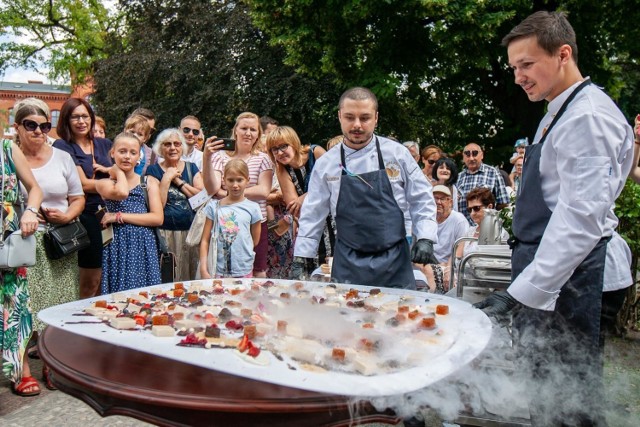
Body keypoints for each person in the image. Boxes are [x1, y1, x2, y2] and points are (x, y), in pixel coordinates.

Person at [475, 11, 634, 426]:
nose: (518, 77)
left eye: (526, 65)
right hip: (553, 272)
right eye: (514, 68)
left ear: (563, 54)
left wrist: (522, 292)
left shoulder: (588, 118)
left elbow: (580, 219)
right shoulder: (557, 110)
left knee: (568, 402)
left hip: (574, 278)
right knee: (545, 392)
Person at [291, 87, 438, 288]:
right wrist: (301, 256)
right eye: (350, 117)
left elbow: (421, 198)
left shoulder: (398, 154)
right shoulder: (326, 164)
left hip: (395, 260)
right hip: (347, 261)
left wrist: (426, 237)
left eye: (365, 118)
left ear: (376, 118)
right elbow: (313, 213)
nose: (357, 125)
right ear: (339, 117)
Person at [14, 99, 84, 359]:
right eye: (31, 125)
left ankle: (52, 354)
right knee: (28, 300)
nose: (38, 131)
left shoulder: (62, 158)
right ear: (17, 127)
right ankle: (34, 348)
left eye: (44, 126)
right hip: (22, 240)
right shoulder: (9, 159)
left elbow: (78, 199)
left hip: (59, 239)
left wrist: (66, 217)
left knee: (60, 297)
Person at [0, 119, 43, 396]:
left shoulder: (7, 149)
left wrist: (30, 211)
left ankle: (21, 369)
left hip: (8, 236)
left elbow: (35, 189)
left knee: (14, 303)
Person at [53, 98, 112, 298]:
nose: (81, 121)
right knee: (90, 279)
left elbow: (125, 171)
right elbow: (83, 185)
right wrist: (113, 184)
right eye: (75, 117)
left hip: (112, 215)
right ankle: (80, 322)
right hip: (86, 216)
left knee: (108, 278)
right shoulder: (63, 146)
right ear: (66, 120)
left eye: (85, 116)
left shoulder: (105, 144)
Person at [202, 112, 273, 278]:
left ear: (258, 135)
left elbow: (263, 191)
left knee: (257, 271)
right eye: (244, 128)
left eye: (253, 130)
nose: (248, 133)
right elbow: (212, 188)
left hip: (255, 221)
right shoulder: (220, 156)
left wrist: (227, 193)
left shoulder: (263, 159)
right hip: (224, 222)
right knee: (223, 270)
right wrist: (207, 157)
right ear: (235, 131)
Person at [97, 132, 163, 294]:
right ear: (112, 153)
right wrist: (118, 172)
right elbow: (122, 192)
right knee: (118, 295)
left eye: (133, 153)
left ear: (139, 156)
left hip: (143, 244)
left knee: (145, 296)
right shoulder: (104, 183)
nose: (127, 157)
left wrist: (119, 216)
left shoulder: (148, 182)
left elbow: (157, 218)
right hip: (117, 244)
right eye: (122, 151)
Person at [266, 126, 334, 274]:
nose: (279, 152)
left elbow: (333, 185)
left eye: (283, 146)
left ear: (293, 142)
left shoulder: (315, 153)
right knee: (316, 273)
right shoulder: (282, 169)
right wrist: (313, 196)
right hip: (310, 224)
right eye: (274, 149)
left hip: (333, 221)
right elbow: (294, 206)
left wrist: (304, 197)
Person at [146, 128, 204, 281]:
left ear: (182, 147)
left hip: (192, 234)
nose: (173, 148)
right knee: (170, 276)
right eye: (167, 144)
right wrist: (166, 179)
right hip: (166, 234)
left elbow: (200, 198)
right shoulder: (153, 170)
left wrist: (179, 182)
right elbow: (159, 204)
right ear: (160, 148)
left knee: (191, 277)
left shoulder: (192, 167)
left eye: (177, 144)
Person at [199, 159, 262, 278]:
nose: (235, 185)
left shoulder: (253, 208)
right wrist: (203, 268)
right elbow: (205, 240)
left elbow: (254, 240)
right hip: (218, 270)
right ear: (224, 180)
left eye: (239, 180)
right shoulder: (214, 207)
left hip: (244, 269)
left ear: (247, 180)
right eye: (231, 180)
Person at [418, 185, 468, 294]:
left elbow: (459, 250)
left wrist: (448, 267)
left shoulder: (459, 220)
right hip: (427, 264)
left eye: (442, 199)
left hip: (450, 265)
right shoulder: (425, 220)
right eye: (435, 198)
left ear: (450, 202)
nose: (438, 202)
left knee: (432, 271)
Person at [456, 142, 510, 224]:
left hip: (486, 227)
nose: (471, 158)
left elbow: (503, 203)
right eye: (467, 154)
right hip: (463, 229)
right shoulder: (458, 177)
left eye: (475, 154)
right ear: (463, 157)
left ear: (482, 155)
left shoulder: (493, 173)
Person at [130, 107, 157, 175]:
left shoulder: (153, 156)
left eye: (151, 130)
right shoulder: (111, 148)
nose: (147, 133)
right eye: (143, 128)